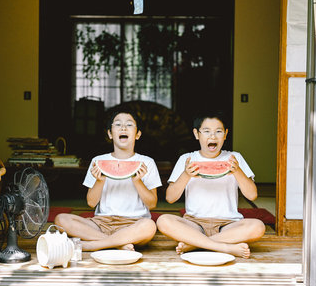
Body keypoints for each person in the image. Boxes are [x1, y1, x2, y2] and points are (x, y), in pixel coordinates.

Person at [156, 111, 265, 258]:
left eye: (218, 131)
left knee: (258, 227)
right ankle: (226, 248)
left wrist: (238, 171)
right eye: (206, 131)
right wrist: (186, 174)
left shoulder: (235, 158)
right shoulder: (187, 159)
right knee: (163, 221)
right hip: (194, 224)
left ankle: (195, 245)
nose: (212, 136)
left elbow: (252, 195)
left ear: (225, 134)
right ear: (196, 134)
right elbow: (170, 198)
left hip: (228, 225)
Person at [55, 109, 161, 252]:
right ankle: (117, 244)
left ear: (138, 134)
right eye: (117, 124)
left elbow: (152, 203)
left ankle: (93, 245)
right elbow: (91, 203)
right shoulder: (98, 161)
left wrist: (137, 181)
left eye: (129, 124)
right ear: (110, 133)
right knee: (61, 220)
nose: (123, 127)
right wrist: (99, 181)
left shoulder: (147, 162)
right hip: (101, 223)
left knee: (149, 226)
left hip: (134, 223)